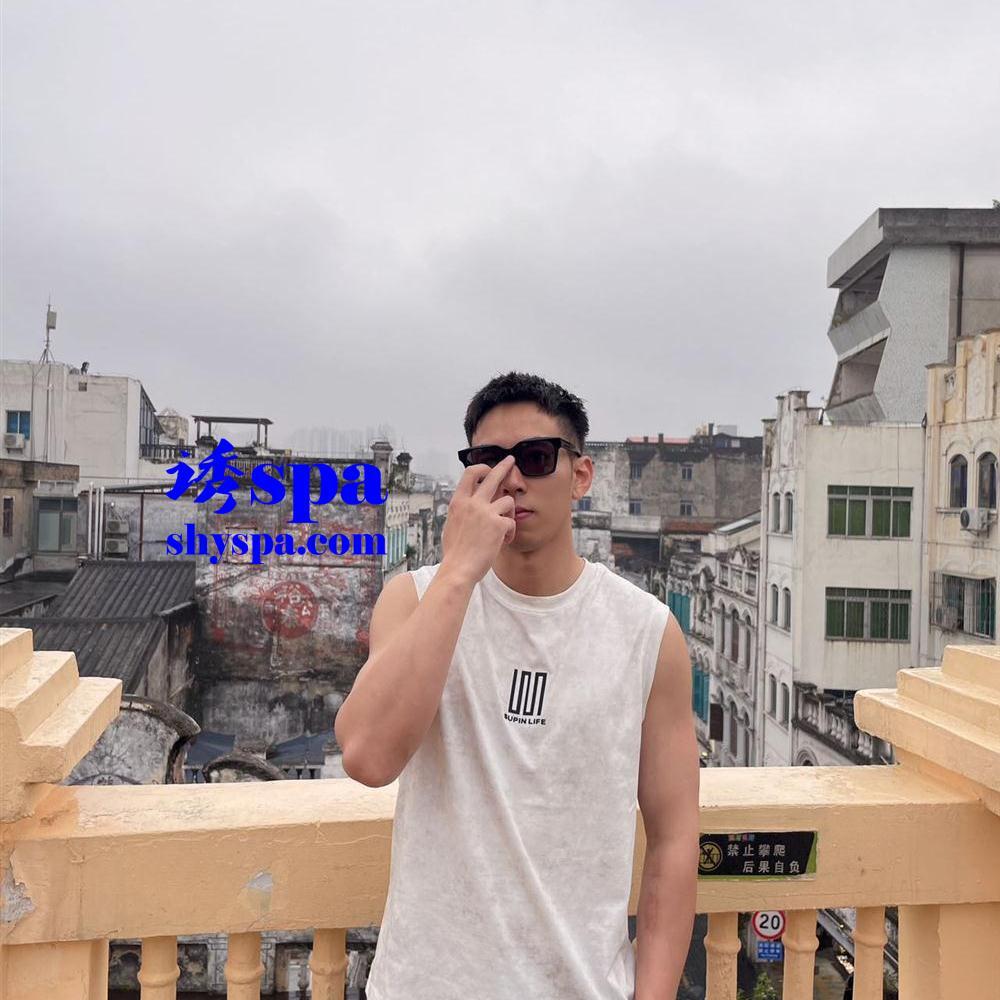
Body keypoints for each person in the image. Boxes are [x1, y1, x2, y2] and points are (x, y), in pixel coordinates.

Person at [335, 371, 700, 1000]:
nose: (511, 479)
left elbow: (674, 838)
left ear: (580, 475)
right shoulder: (416, 599)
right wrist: (459, 571)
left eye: (534, 457)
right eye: (488, 461)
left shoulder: (646, 631)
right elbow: (367, 756)